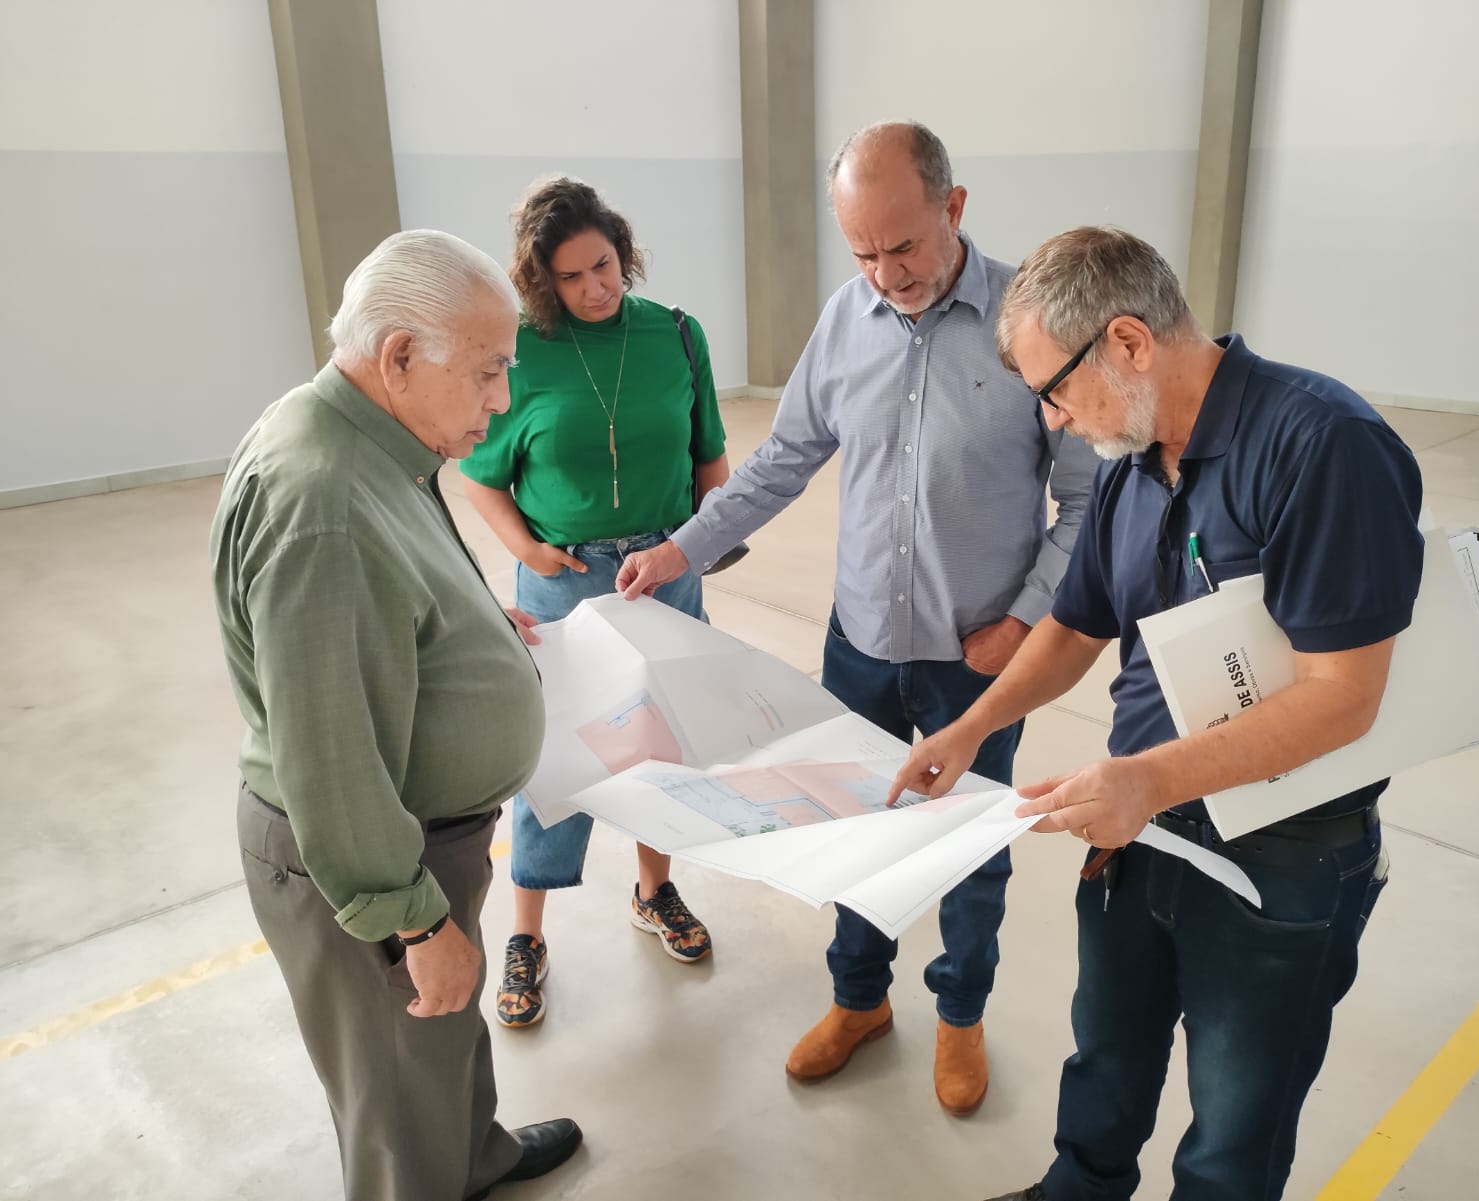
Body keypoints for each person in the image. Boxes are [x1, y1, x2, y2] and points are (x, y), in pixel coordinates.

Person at [886, 227, 1424, 1201]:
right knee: (1106, 1056)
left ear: (1128, 342)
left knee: (1233, 1122)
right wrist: (969, 727)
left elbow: (1344, 696)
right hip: (1137, 834)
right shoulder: (1133, 459)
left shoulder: (1319, 445)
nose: (1052, 421)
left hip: (1280, 851)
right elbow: (1074, 624)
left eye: (1055, 389)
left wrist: (1144, 778)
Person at [616, 121, 1098, 1114]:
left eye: (904, 246)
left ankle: (959, 1016)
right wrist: (681, 549)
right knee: (857, 831)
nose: (886, 273)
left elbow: (1089, 502)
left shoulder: (1031, 324)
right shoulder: (845, 318)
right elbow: (781, 461)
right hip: (862, 647)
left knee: (971, 846)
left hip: (981, 659)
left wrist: (1020, 621)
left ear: (953, 208)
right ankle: (859, 999)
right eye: (864, 253)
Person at [209, 230, 582, 1201]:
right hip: (378, 855)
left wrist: (468, 627)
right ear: (402, 355)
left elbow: (389, 602)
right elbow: (329, 758)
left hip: (422, 832)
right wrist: (415, 922)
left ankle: (477, 1158)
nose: (502, 400)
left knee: (440, 1051)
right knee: (396, 1105)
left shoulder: (370, 437)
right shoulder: (322, 499)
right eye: (491, 371)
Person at [460, 177, 730, 1029]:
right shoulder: (524, 352)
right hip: (560, 583)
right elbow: (482, 477)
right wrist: (528, 551)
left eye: (604, 266)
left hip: (664, 573)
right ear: (543, 282)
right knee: (552, 765)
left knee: (658, 747)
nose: (595, 289)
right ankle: (527, 934)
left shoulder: (677, 336)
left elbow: (711, 462)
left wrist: (686, 549)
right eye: (572, 278)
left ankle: (656, 890)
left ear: (623, 248)